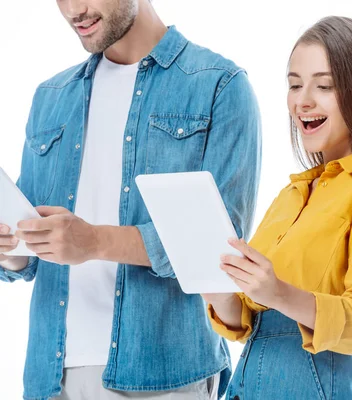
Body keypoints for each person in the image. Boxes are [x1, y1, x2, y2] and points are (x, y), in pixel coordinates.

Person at [0, 0, 261, 399]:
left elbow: (221, 251)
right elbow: (28, 254)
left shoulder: (219, 86)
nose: (74, 10)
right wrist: (10, 248)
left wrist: (95, 241)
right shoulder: (51, 97)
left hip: (162, 376)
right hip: (50, 376)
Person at [202, 16, 352, 400]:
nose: (303, 100)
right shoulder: (292, 193)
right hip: (246, 383)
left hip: (316, 384)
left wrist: (278, 292)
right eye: (295, 84)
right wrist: (215, 289)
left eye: (324, 86)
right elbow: (247, 319)